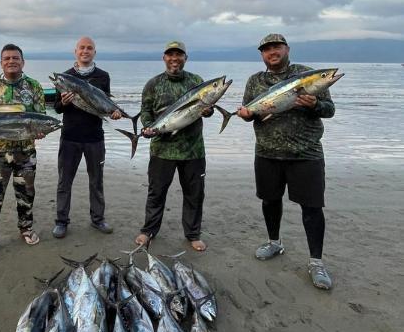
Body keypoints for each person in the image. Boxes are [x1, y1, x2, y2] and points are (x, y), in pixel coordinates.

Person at [236, 33, 336, 290]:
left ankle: (316, 262)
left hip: (306, 154)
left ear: (287, 49)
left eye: (276, 47)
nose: (272, 52)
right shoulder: (255, 81)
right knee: (270, 201)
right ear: (262, 54)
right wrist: (246, 114)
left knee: (312, 209)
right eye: (267, 49)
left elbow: (329, 110)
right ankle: (274, 242)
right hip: (267, 153)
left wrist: (314, 104)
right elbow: (251, 112)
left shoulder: (306, 75)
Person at [135, 41, 213, 252]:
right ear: (164, 58)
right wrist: (147, 127)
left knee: (194, 194)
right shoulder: (153, 84)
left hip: (193, 150)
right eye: (170, 55)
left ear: (185, 58)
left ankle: (193, 234)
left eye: (179, 54)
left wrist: (208, 111)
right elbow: (146, 112)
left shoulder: (197, 82)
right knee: (156, 193)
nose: (174, 58)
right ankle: (149, 231)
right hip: (162, 149)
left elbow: (208, 108)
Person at [0, 44, 46, 264]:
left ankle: (26, 228)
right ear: (1, 62)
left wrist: (40, 131)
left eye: (15, 58)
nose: (11, 61)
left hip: (26, 152)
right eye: (7, 58)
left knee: (26, 194)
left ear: (23, 62)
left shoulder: (34, 86)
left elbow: (40, 116)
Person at [52, 36, 121, 239]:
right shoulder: (64, 76)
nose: (85, 51)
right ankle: (61, 221)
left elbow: (104, 104)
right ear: (75, 51)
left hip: (95, 138)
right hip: (70, 137)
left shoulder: (103, 76)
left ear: (94, 53)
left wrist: (114, 113)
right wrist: (64, 102)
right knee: (64, 181)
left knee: (96, 181)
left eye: (89, 48)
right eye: (82, 48)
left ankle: (98, 219)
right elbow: (56, 108)